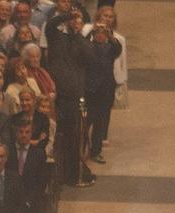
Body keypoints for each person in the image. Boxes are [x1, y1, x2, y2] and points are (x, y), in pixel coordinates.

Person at [45, 6, 95, 185]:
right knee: (55, 135)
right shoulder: (57, 38)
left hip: (74, 97)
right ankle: (55, 174)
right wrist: (67, 16)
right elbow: (50, 26)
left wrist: (77, 34)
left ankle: (73, 175)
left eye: (79, 20)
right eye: (73, 20)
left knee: (74, 138)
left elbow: (90, 57)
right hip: (56, 96)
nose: (75, 22)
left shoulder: (84, 42)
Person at [85, 22, 121, 164]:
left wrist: (109, 33)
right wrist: (90, 31)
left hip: (105, 91)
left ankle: (96, 152)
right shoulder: (88, 47)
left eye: (102, 33)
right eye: (97, 32)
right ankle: (82, 149)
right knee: (86, 122)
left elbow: (118, 48)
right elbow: (81, 43)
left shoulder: (110, 48)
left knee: (100, 124)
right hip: (90, 90)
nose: (100, 35)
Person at [6, 120, 48, 213]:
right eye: (21, 132)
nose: (24, 135)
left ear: (31, 134)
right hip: (10, 201)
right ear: (16, 133)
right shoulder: (7, 152)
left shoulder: (39, 154)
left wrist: (28, 202)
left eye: (27, 132)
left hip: (31, 201)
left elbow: (42, 183)